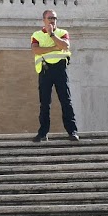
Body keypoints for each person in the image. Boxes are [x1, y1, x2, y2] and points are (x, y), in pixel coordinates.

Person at [31, 9, 78, 142]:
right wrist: (54, 47)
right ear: (44, 20)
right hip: (45, 69)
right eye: (50, 18)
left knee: (66, 100)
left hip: (60, 69)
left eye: (55, 18)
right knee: (45, 103)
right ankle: (43, 133)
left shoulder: (62, 33)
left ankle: (72, 131)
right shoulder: (37, 34)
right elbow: (35, 50)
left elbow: (65, 46)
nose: (52, 20)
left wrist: (52, 35)